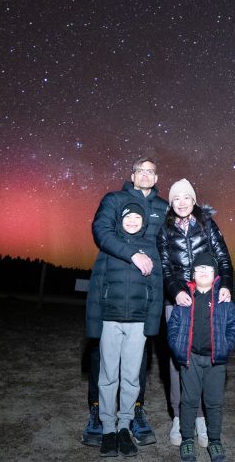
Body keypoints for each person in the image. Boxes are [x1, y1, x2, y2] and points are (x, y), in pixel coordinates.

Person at [83, 157, 169, 447]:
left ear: (157, 178)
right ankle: (99, 416)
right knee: (106, 365)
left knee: (136, 367)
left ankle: (131, 416)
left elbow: (170, 245)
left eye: (151, 171)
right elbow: (101, 232)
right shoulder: (115, 199)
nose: (145, 175)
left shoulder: (164, 207)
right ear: (132, 175)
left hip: (142, 302)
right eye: (140, 170)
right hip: (112, 298)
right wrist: (132, 255)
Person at [157, 178, 235, 448]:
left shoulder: (207, 225)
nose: (181, 202)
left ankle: (201, 417)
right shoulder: (165, 230)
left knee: (208, 353)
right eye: (176, 198)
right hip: (178, 301)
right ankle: (180, 417)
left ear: (194, 200)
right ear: (171, 203)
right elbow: (166, 269)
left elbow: (224, 259)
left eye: (186, 197)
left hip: (208, 297)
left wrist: (225, 286)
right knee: (179, 360)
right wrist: (177, 291)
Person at [92, 202, 163, 457]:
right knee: (108, 375)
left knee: (131, 377)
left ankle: (124, 425)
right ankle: (108, 429)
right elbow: (96, 286)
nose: (132, 220)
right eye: (127, 216)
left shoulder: (151, 249)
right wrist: (93, 324)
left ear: (144, 222)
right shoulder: (110, 246)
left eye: (137, 217)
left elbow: (156, 290)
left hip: (138, 323)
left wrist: (152, 324)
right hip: (110, 321)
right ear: (120, 220)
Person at [167, 252, 235, 462]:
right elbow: (173, 326)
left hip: (215, 361)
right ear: (193, 273)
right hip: (190, 359)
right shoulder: (185, 298)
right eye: (199, 269)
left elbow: (234, 325)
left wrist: (226, 347)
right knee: (189, 400)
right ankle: (187, 439)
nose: (203, 272)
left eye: (208, 269)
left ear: (215, 274)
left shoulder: (223, 298)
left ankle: (215, 441)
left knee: (214, 402)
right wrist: (177, 347)